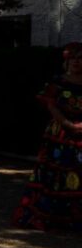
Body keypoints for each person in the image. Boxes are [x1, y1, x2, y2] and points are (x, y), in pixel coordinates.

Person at [14, 43, 82, 232]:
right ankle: (52, 216)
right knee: (57, 172)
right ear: (67, 61)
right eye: (73, 58)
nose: (77, 62)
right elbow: (51, 106)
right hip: (60, 133)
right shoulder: (57, 82)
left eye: (80, 58)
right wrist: (68, 124)